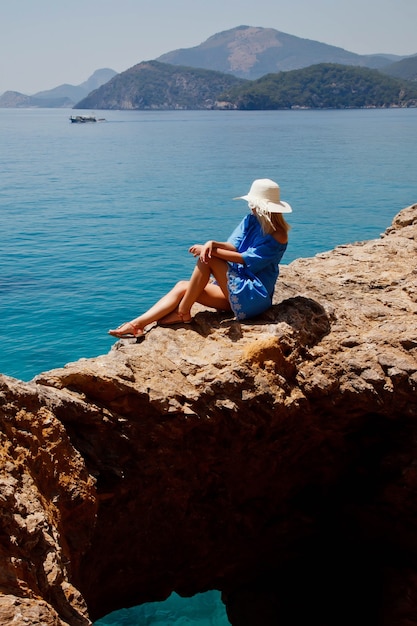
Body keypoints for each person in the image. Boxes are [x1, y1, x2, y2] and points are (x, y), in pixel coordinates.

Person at [108, 178, 292, 338]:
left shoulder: (278, 235)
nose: (250, 206)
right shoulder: (251, 220)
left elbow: (245, 259)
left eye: (253, 203)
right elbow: (233, 246)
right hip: (237, 289)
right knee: (183, 286)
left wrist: (210, 251)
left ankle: (183, 312)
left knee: (208, 258)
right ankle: (136, 325)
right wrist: (212, 243)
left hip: (254, 295)